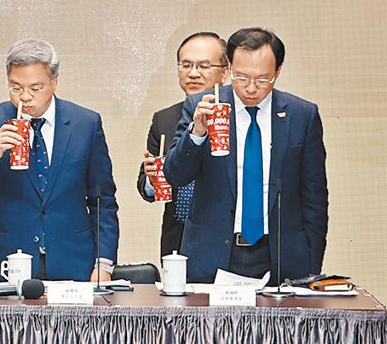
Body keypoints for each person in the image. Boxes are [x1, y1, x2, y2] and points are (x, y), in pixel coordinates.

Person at [163, 27, 328, 283]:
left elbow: (315, 197)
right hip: (213, 254)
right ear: (229, 67)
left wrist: (311, 264)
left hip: (281, 257)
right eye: (241, 77)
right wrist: (197, 133)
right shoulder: (203, 106)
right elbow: (175, 175)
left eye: (263, 79)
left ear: (278, 71)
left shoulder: (301, 115)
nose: (251, 88)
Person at [0, 38, 118, 283]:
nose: (25, 97)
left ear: (54, 81)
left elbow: (102, 201)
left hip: (73, 264)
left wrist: (103, 264)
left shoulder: (85, 124)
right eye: (16, 88)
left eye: (35, 88)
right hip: (7, 265)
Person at [137, 32, 228, 257]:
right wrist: (152, 179)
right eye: (186, 65)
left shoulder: (235, 116)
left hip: (224, 237)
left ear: (225, 72)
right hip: (177, 239)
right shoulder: (164, 118)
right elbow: (147, 190)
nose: (193, 73)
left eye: (203, 66)